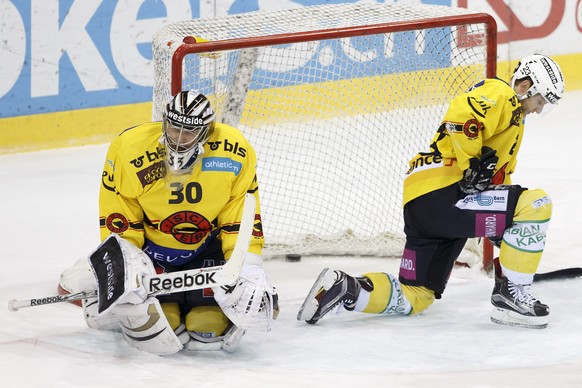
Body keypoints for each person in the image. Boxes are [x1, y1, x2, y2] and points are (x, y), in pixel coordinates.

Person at [298, 54, 565, 329]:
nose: (537, 109)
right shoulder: (503, 95)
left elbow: (497, 179)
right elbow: (463, 114)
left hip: (423, 207)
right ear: (524, 86)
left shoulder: (513, 121)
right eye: (539, 100)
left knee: (416, 295)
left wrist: (504, 225)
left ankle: (346, 288)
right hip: (447, 195)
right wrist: (471, 165)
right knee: (536, 203)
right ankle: (511, 296)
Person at [58, 90, 278, 354]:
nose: (178, 139)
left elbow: (239, 216)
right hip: (152, 253)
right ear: (165, 122)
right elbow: (120, 215)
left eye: (188, 132)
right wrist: (124, 263)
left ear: (205, 132)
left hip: (206, 249)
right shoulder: (129, 150)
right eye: (174, 128)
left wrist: (248, 265)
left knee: (208, 326)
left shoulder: (235, 151)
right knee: (160, 322)